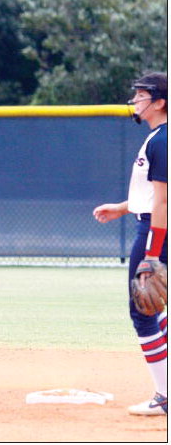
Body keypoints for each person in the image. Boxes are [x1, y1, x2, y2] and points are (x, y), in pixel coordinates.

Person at [93, 72, 167, 416]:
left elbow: (163, 203)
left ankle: (164, 396)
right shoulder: (159, 137)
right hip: (151, 224)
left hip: (154, 231)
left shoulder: (161, 140)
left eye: (141, 96)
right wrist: (123, 207)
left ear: (159, 102)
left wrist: (151, 255)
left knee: (142, 311)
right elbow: (154, 194)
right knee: (156, 310)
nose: (135, 101)